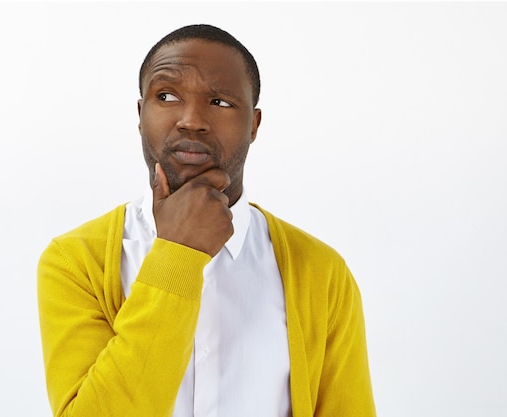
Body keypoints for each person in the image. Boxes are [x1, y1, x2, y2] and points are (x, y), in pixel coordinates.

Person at [37, 24, 376, 417]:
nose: (191, 120)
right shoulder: (75, 261)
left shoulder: (321, 272)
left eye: (220, 102)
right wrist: (177, 256)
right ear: (140, 114)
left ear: (254, 125)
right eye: (166, 96)